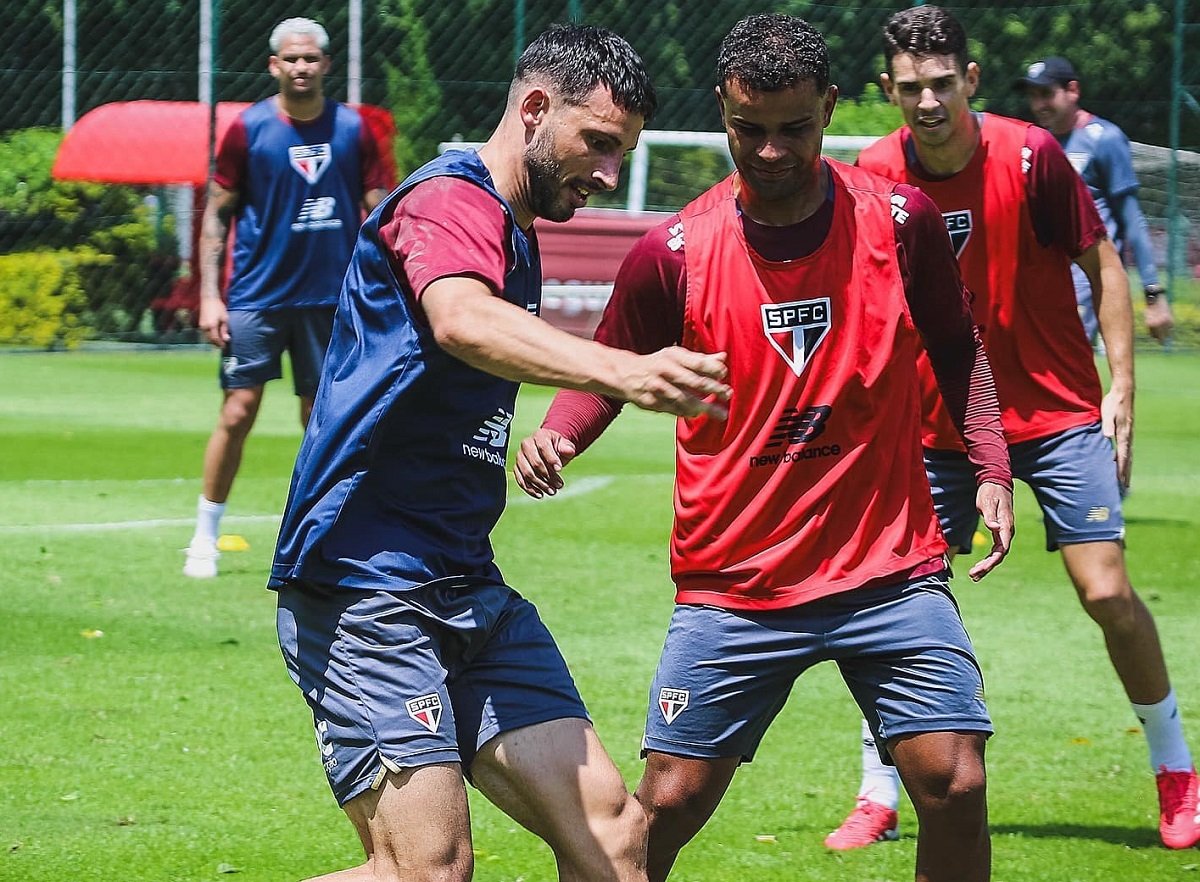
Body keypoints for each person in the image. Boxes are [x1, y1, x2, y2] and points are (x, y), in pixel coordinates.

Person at [516, 14, 1015, 882]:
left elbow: (958, 346)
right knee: (664, 805)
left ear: (829, 105)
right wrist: (558, 434)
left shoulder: (901, 222)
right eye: (750, 130)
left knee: (954, 781)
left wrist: (992, 467)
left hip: (886, 565)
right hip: (736, 579)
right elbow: (609, 367)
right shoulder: (672, 252)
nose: (773, 150)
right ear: (722, 112)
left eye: (795, 128)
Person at [269, 24, 733, 882]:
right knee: (427, 870)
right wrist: (623, 370)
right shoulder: (450, 199)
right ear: (533, 108)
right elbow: (461, 320)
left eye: (621, 151)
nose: (606, 172)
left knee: (615, 840)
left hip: (464, 584)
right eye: (596, 143)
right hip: (364, 585)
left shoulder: (516, 233)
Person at [825, 5, 1200, 853]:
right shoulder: (874, 171)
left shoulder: (1034, 157)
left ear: (972, 81)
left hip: (1058, 411)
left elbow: (1101, 262)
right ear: (888, 89)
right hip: (938, 424)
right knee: (893, 602)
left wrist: (1123, 384)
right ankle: (877, 789)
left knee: (1106, 590)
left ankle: (1177, 770)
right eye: (910, 87)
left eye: (942, 83)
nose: (927, 101)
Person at [183, 16, 392, 579]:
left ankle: (327, 536)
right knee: (239, 408)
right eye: (290, 59)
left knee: (322, 419)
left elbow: (381, 213)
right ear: (274, 65)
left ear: (325, 64)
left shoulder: (352, 130)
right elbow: (216, 216)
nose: (301, 68)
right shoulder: (248, 130)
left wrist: (386, 286)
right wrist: (210, 297)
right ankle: (204, 534)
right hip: (257, 296)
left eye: (310, 59)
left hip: (332, 300)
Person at [1015, 56, 1175, 347]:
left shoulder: (1104, 139)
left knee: (1063, 370)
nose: (1039, 104)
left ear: (1073, 90)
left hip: (1087, 279)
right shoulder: (1035, 144)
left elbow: (1132, 220)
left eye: (1046, 94)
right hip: (1044, 279)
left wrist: (1153, 294)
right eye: (1032, 96)